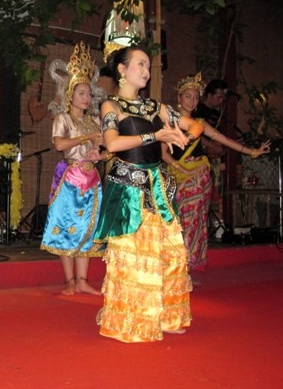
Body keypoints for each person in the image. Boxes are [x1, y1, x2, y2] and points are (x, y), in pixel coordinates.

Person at [92, 45, 204, 343]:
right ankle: (133, 321)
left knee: (169, 252)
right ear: (122, 69)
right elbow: (113, 144)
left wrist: (181, 137)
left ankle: (166, 317)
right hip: (129, 188)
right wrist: (156, 135)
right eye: (140, 64)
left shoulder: (157, 107)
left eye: (147, 66)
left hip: (158, 186)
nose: (146, 71)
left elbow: (196, 124)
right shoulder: (111, 106)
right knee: (136, 254)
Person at [162, 73, 271, 272]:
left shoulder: (200, 123)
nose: (192, 101)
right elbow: (162, 153)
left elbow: (224, 140)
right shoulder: (169, 122)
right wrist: (181, 167)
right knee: (179, 221)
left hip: (199, 177)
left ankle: (188, 265)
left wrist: (251, 152)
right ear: (179, 98)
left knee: (196, 221)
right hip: (180, 176)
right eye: (188, 96)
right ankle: (177, 265)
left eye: (196, 97)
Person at [40, 42, 107, 296]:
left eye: (88, 93)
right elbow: (59, 145)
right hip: (70, 177)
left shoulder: (95, 120)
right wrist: (85, 139)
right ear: (70, 94)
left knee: (87, 228)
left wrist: (98, 154)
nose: (86, 97)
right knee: (66, 226)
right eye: (81, 93)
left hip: (91, 177)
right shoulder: (63, 118)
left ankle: (82, 280)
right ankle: (69, 280)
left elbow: (107, 149)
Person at [193, 79, 229, 231]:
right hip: (200, 157)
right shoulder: (198, 111)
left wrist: (221, 149)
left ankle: (217, 224)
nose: (221, 101)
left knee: (216, 190)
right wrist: (212, 146)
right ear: (208, 95)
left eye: (222, 98)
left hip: (214, 158)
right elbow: (196, 135)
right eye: (218, 97)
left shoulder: (216, 114)